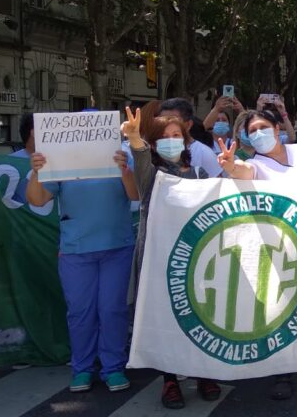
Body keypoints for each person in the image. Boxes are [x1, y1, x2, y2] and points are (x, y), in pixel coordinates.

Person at [216, 110, 297, 399]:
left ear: (278, 129)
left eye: (264, 127)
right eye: (252, 131)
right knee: (283, 307)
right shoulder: (254, 164)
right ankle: (283, 372)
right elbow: (242, 172)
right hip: (281, 245)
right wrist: (230, 166)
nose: (259, 134)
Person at [119, 108, 221, 409]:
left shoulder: (201, 174)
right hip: (159, 258)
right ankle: (170, 381)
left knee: (201, 316)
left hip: (197, 259)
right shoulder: (152, 175)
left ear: (186, 141)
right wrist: (135, 138)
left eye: (176, 136)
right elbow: (139, 159)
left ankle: (203, 374)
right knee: (164, 319)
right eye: (164, 138)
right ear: (154, 144)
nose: (171, 141)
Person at [26, 141, 137, 395]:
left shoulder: (120, 158)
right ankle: (83, 368)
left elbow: (135, 195)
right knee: (80, 312)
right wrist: (36, 172)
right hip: (76, 250)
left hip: (116, 247)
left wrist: (124, 170)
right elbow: (37, 198)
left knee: (112, 310)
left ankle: (113, 367)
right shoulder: (60, 163)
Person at [158, 98, 223, 177]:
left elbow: (217, 185)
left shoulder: (205, 154)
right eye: (163, 121)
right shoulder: (155, 150)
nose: (167, 125)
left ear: (188, 124)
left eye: (174, 121)